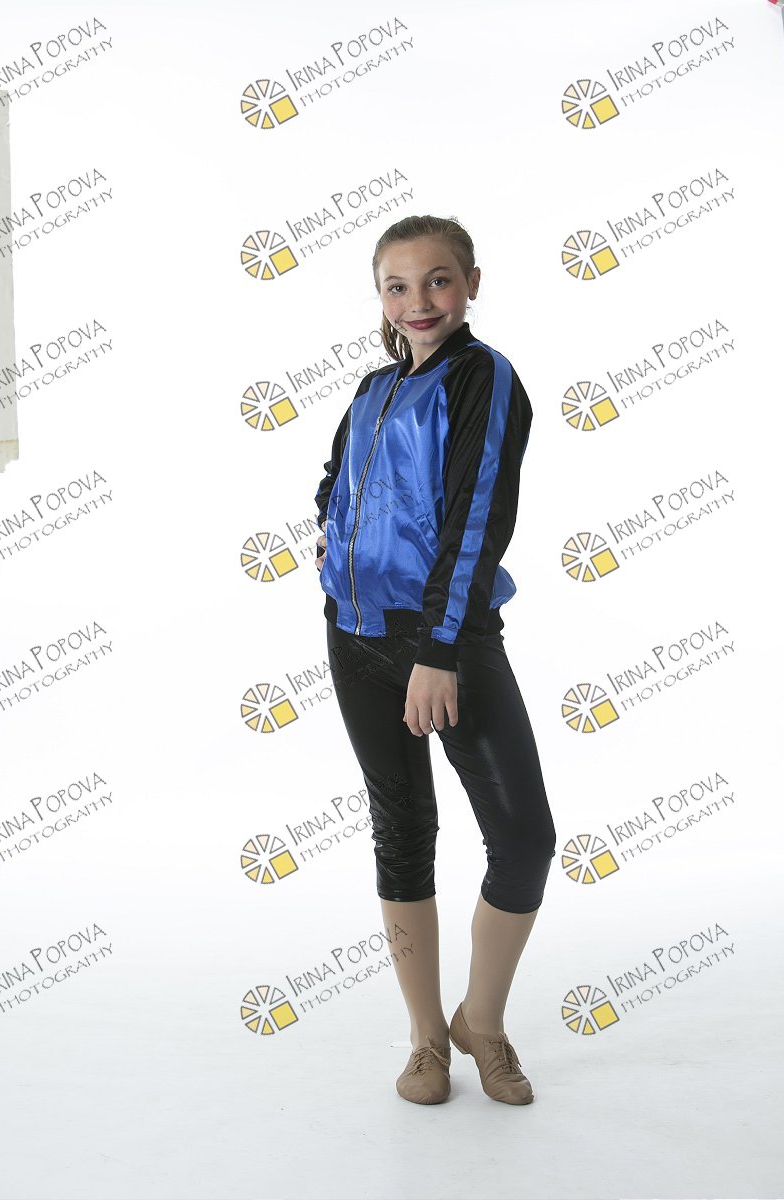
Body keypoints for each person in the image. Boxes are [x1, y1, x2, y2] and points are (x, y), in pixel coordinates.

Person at [313, 214, 556, 1106]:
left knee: (523, 839)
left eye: (439, 280)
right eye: (399, 286)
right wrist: (329, 539)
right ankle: (424, 1038)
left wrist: (437, 651)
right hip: (354, 640)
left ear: (472, 284)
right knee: (403, 831)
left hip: (447, 645)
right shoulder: (373, 389)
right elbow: (335, 482)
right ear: (380, 296)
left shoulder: (483, 379)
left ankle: (479, 1021)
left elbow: (475, 521)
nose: (419, 301)